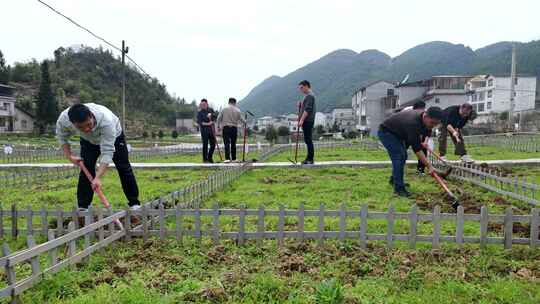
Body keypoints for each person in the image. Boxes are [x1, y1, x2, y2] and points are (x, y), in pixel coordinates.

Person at [56, 103, 141, 211]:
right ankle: (83, 207)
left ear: (91, 115)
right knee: (86, 168)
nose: (86, 129)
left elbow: (107, 152)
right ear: (72, 123)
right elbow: (62, 138)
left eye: (88, 124)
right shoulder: (63, 120)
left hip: (115, 137)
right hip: (88, 140)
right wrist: (69, 156)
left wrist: (98, 177)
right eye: (80, 127)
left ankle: (134, 204)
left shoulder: (106, 121)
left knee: (123, 167)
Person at [378, 107, 443, 197]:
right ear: (425, 116)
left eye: (436, 124)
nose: (433, 126)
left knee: (403, 156)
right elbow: (417, 149)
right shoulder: (413, 123)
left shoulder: (426, 121)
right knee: (399, 156)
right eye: (432, 123)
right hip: (386, 132)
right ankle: (399, 188)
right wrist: (429, 166)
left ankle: (395, 180)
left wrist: (424, 142)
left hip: (398, 134)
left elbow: (427, 131)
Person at [217, 97, 245, 162]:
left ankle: (227, 159)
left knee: (226, 143)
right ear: (235, 103)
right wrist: (244, 123)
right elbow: (242, 120)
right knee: (233, 144)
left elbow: (219, 118)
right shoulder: (238, 110)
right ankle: (234, 158)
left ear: (229, 102)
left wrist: (218, 126)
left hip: (226, 128)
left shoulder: (224, 109)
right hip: (234, 128)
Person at [298, 80, 316, 165]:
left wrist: (301, 120)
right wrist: (301, 105)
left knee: (308, 140)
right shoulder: (308, 96)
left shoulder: (310, 96)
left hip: (307, 121)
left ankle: (310, 159)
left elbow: (308, 110)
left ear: (306, 86)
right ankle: (308, 158)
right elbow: (305, 107)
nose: (301, 90)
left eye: (301, 88)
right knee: (307, 140)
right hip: (307, 121)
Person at [197, 99, 217, 163]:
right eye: (201, 105)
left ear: (207, 104)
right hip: (204, 131)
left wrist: (211, 115)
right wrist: (209, 123)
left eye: (204, 104)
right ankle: (205, 159)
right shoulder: (199, 113)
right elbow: (200, 123)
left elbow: (215, 117)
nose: (203, 106)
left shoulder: (211, 110)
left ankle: (209, 157)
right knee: (205, 145)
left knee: (213, 145)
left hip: (211, 130)